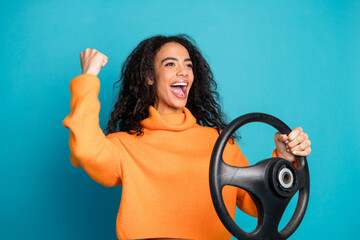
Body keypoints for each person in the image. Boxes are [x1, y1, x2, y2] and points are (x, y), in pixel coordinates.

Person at [63, 34, 311, 240]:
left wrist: (283, 161)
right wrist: (89, 76)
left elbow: (253, 204)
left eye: (188, 65)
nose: (183, 72)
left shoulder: (218, 142)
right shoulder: (125, 145)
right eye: (170, 64)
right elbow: (85, 148)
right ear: (150, 77)